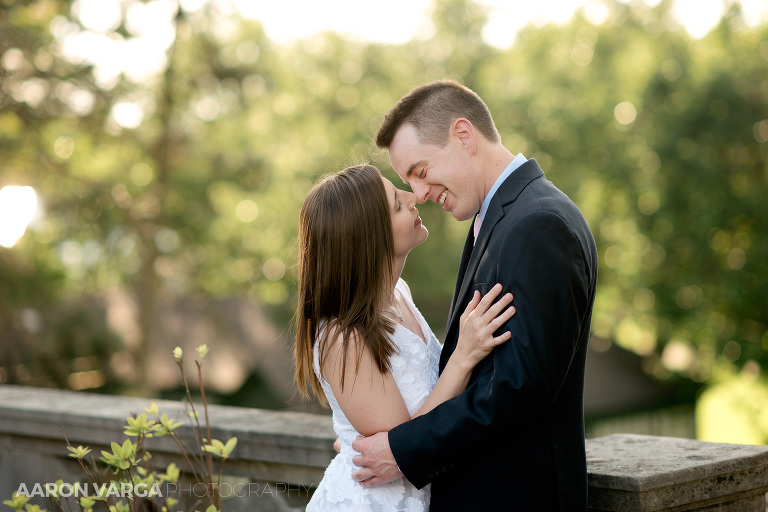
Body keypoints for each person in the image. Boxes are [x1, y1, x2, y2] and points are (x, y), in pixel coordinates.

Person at [350, 80, 599, 510]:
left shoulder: (536, 225)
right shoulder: (503, 217)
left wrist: (402, 449)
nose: (420, 194)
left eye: (421, 172)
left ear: (463, 136)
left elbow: (517, 389)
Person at [294, 164, 517, 511]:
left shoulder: (400, 293)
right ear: (368, 238)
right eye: (398, 204)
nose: (414, 198)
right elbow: (406, 449)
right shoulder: (343, 336)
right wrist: (463, 356)